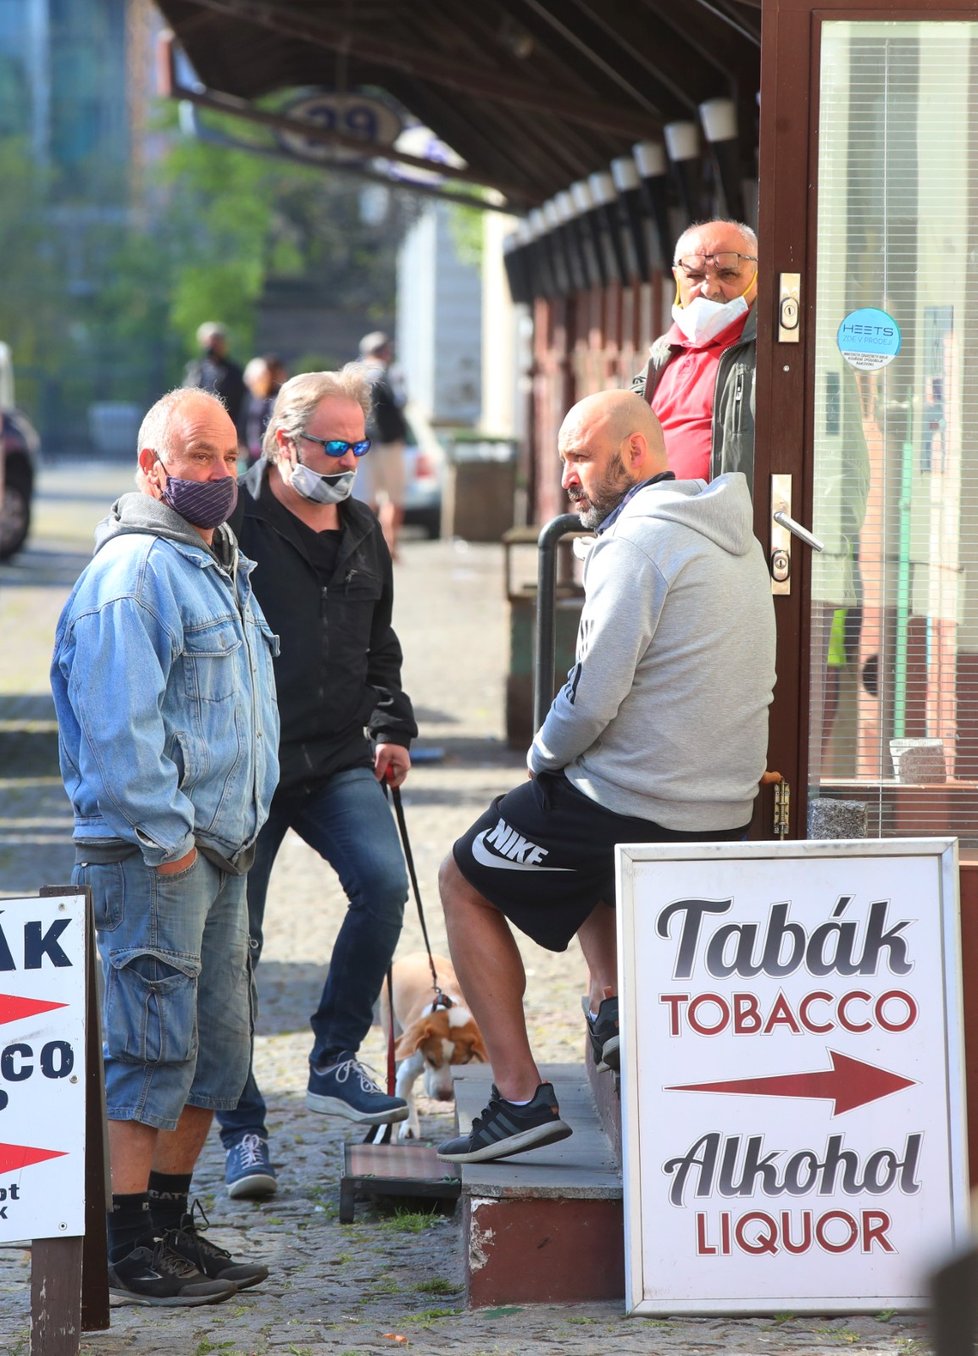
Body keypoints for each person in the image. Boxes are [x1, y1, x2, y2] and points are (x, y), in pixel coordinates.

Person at [435, 389, 776, 1164]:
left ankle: (519, 1098)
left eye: (579, 458)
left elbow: (591, 697)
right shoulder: (732, 531)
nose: (566, 479)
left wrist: (538, 754)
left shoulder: (635, 546)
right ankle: (616, 1005)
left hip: (646, 803)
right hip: (723, 804)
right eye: (562, 460)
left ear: (634, 453)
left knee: (464, 873)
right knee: (571, 799)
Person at [50, 388, 280, 1305]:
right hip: (158, 859)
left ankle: (172, 1226)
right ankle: (124, 1241)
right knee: (147, 1050)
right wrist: (170, 842)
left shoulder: (219, 560)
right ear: (154, 469)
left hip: (224, 853)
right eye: (197, 457)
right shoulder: (134, 573)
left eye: (229, 456)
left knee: (212, 1056)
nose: (219, 474)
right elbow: (119, 731)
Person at [216, 365, 418, 1200]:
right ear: (281, 441)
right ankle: (241, 1129)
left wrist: (394, 724)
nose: (345, 460)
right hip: (249, 766)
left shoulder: (364, 528)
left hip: (337, 757)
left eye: (357, 445)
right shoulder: (230, 527)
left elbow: (381, 643)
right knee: (235, 947)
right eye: (331, 445)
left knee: (383, 882)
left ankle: (335, 1054)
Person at [633, 219, 758, 484]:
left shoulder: (780, 355)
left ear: (759, 275)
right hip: (655, 521)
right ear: (677, 277)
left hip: (730, 524)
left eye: (728, 274)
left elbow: (838, 454)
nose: (709, 289)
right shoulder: (662, 354)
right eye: (694, 276)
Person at [358, 331, 409, 559]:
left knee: (366, 498)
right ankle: (390, 546)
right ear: (385, 351)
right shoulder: (390, 372)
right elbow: (401, 400)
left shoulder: (355, 372)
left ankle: (366, 546)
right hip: (389, 442)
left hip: (362, 443)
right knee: (393, 497)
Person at [184, 322, 247, 439]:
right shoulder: (195, 368)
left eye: (217, 341)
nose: (213, 346)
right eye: (210, 342)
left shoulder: (233, 371)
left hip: (224, 423)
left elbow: (240, 401)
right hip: (198, 422)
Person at [243, 353, 288, 467]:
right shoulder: (253, 397)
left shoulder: (281, 396)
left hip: (271, 454)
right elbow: (245, 421)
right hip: (252, 453)